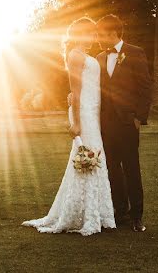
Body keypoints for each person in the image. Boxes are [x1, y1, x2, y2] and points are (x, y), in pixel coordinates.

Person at [22, 17, 115, 235]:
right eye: (91, 33)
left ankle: (95, 212)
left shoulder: (85, 55)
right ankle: (84, 214)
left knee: (94, 157)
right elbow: (77, 88)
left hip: (93, 110)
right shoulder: (75, 54)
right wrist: (77, 121)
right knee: (88, 157)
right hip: (84, 112)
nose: (94, 38)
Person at [96, 14, 153, 232]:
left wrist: (139, 117)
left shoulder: (135, 52)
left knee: (131, 168)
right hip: (105, 124)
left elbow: (145, 88)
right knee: (112, 169)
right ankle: (120, 213)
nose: (98, 38)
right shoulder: (99, 57)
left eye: (101, 34)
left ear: (113, 33)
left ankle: (136, 215)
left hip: (128, 122)